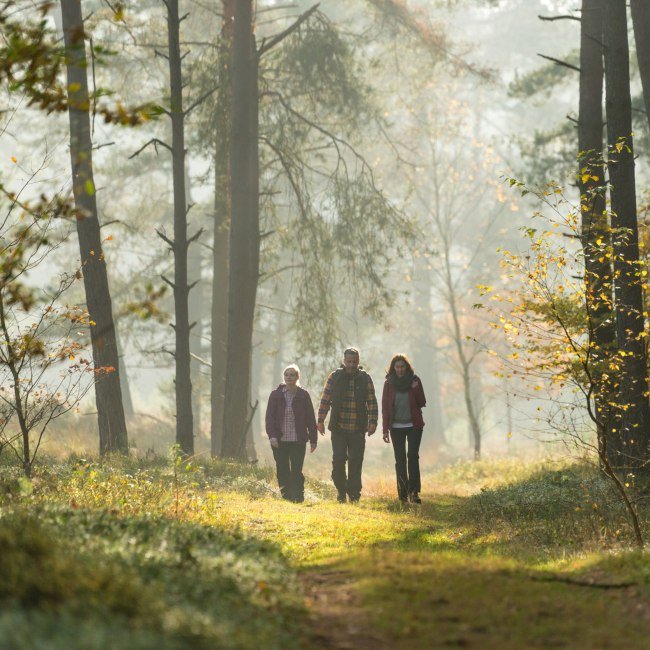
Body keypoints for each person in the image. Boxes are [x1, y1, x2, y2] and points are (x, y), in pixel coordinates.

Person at [317, 347, 378, 503]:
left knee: (356, 461)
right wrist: (320, 420)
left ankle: (354, 494)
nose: (351, 364)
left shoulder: (365, 378)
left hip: (358, 428)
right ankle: (341, 490)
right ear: (344, 361)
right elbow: (325, 400)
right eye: (349, 361)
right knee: (338, 460)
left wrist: (373, 423)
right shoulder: (334, 377)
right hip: (338, 428)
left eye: (354, 362)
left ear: (358, 362)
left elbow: (372, 402)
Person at [265, 364, 318, 503]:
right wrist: (272, 436)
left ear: (297, 377)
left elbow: (310, 419)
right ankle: (286, 495)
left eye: (292, 375)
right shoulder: (275, 395)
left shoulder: (303, 395)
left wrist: (313, 439)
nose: (289, 377)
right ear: (284, 377)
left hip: (298, 440)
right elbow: (269, 418)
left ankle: (297, 496)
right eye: (287, 375)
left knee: (296, 470)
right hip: (280, 440)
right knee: (282, 469)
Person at [381, 354, 426, 504]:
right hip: (396, 427)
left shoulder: (415, 380)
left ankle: (414, 493)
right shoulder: (389, 384)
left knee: (413, 456)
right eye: (397, 367)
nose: (400, 369)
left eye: (402, 367)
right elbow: (385, 408)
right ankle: (403, 495)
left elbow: (421, 402)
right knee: (400, 460)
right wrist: (385, 430)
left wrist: (415, 389)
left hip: (414, 426)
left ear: (407, 367)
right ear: (393, 368)